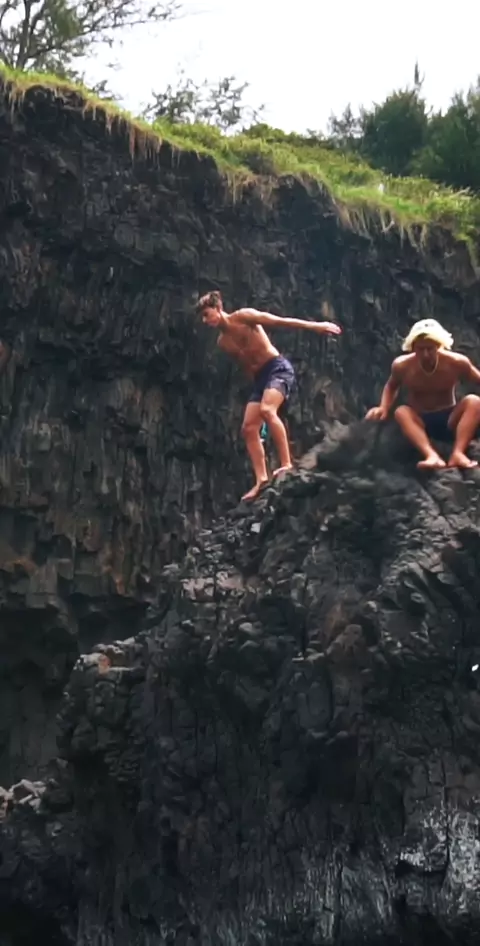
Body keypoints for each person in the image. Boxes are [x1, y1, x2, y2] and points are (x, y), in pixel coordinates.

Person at [197, 290, 342, 500]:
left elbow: (280, 321)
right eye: (202, 317)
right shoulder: (223, 343)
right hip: (260, 380)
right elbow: (246, 365)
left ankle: (286, 464)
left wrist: (316, 326)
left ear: (218, 308)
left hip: (277, 368)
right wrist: (259, 391)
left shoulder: (244, 316)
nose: (205, 320)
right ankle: (261, 480)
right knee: (249, 428)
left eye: (207, 314)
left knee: (267, 410)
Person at [366, 318, 480, 469]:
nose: (425, 354)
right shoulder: (402, 366)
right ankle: (431, 455)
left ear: (439, 346)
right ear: (413, 348)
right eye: (420, 349)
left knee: (474, 401)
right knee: (401, 411)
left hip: (450, 419)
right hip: (421, 421)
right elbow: (391, 386)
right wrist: (383, 407)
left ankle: (458, 453)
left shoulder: (457, 362)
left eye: (430, 348)